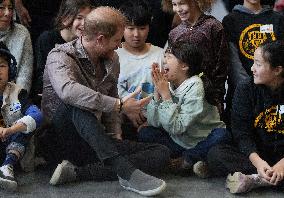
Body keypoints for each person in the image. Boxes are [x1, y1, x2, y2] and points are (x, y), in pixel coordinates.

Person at [41, 7, 169, 197]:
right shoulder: (59, 56)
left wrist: (114, 138)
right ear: (100, 39)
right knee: (77, 103)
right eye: (117, 40)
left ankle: (77, 173)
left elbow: (111, 109)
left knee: (161, 152)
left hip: (96, 141)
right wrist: (119, 105)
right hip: (61, 140)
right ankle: (124, 171)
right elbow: (68, 92)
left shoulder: (112, 59)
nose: (119, 45)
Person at [138, 41, 226, 177]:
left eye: (169, 57)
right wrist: (157, 93)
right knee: (145, 132)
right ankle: (195, 161)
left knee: (222, 135)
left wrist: (166, 96)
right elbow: (154, 122)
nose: (164, 60)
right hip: (179, 141)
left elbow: (177, 127)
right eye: (165, 56)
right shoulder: (168, 84)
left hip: (202, 140)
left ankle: (186, 160)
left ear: (184, 66)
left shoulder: (196, 86)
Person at [207, 41, 284, 194]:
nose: (252, 68)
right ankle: (267, 177)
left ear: (277, 70)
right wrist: (259, 163)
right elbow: (242, 133)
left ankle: (257, 180)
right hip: (258, 154)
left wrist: (282, 165)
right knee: (216, 154)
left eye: (258, 64)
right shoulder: (245, 88)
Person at [223, 0, 284, 126]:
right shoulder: (231, 20)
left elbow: (280, 56)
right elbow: (234, 63)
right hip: (242, 93)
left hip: (274, 91)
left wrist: (271, 85)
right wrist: (249, 89)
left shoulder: (277, 19)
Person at [165, 0, 228, 117]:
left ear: (196, 2)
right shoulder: (174, 33)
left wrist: (217, 98)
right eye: (174, 4)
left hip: (209, 100)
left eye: (182, 3)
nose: (178, 9)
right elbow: (171, 65)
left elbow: (221, 66)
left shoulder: (213, 27)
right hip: (182, 99)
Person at [117, 0, 164, 139]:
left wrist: (152, 120)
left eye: (142, 28)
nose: (136, 34)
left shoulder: (161, 55)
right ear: (121, 28)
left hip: (153, 121)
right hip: (121, 117)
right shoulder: (113, 55)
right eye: (130, 28)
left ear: (149, 27)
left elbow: (168, 92)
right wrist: (125, 109)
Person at [31, 0, 94, 105]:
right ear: (65, 19)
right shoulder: (47, 39)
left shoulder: (87, 43)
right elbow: (41, 75)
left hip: (78, 96)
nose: (84, 24)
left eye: (88, 19)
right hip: (52, 98)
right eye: (79, 18)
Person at [0, 42, 42, 191]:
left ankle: (7, 166)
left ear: (10, 70)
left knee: (25, 126)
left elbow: (36, 115)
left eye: (2, 66)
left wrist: (10, 130)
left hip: (13, 147)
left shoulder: (18, 93)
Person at [0, 0, 33, 93]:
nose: (7, 13)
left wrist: (14, 103)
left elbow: (24, 76)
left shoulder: (22, 33)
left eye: (10, 8)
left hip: (13, 98)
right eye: (1, 8)